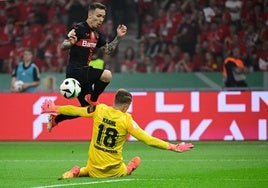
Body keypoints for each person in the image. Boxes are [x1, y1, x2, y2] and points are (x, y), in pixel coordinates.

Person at [41, 88, 194, 179]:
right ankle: (130, 168)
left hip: (93, 167)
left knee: (88, 170)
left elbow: (76, 110)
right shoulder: (127, 120)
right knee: (126, 170)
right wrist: (173, 147)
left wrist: (55, 107)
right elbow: (148, 140)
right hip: (114, 170)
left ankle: (77, 172)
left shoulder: (100, 109)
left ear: (115, 100)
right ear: (127, 105)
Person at [48, 2, 127, 132]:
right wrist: (70, 43)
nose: (101, 19)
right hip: (75, 72)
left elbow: (107, 50)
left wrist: (118, 37)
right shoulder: (79, 28)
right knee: (107, 75)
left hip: (84, 73)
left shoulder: (96, 35)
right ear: (90, 14)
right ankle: (93, 98)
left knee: (89, 110)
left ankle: (56, 119)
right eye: (98, 16)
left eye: (103, 17)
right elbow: (63, 46)